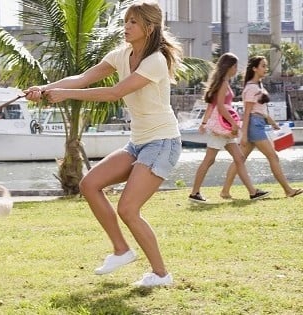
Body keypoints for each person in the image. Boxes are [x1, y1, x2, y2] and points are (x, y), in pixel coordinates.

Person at [25, 1, 180, 287]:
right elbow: (84, 79)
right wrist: (46, 90)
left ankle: (161, 275)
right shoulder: (122, 54)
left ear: (149, 27)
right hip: (139, 142)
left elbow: (115, 92)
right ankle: (121, 250)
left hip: (162, 142)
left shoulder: (155, 60)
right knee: (89, 184)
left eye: (133, 22)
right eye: (125, 21)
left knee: (128, 209)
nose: (126, 27)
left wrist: (65, 95)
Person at [188, 53, 270, 203]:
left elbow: (211, 105)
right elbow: (219, 106)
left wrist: (204, 123)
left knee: (239, 158)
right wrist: (233, 123)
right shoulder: (224, 83)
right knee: (209, 160)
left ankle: (253, 192)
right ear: (230, 67)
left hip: (223, 128)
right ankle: (194, 193)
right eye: (235, 66)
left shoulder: (221, 82)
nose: (236, 70)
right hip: (222, 127)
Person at [221, 56, 302, 198]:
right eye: (263, 66)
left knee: (240, 159)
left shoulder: (258, 86)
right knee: (273, 157)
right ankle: (288, 190)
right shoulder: (251, 88)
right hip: (254, 126)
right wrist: (244, 135)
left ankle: (225, 191)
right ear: (254, 68)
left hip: (257, 123)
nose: (265, 69)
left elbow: (260, 110)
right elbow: (247, 113)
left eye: (266, 66)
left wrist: (272, 122)